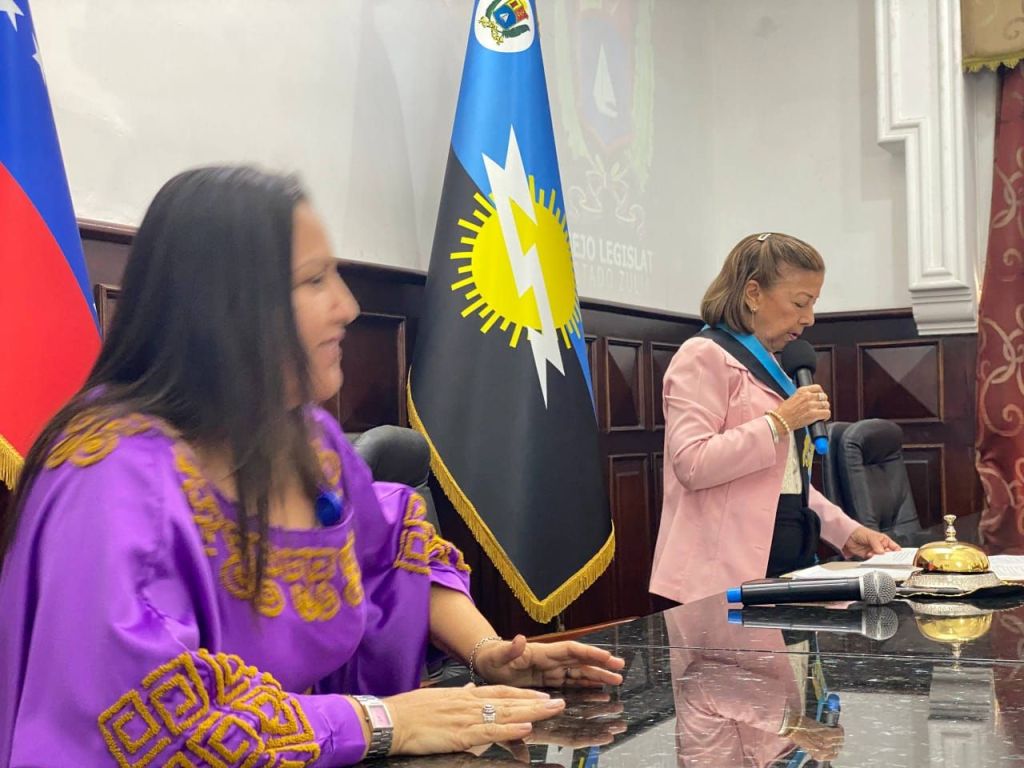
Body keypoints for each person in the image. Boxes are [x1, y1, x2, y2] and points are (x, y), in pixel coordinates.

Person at [0, 166, 624, 767]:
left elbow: (389, 548)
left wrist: (488, 653)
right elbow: (142, 718)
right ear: (227, 304)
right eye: (315, 280)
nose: (348, 306)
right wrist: (381, 722)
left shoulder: (306, 440)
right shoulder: (106, 474)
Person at [649, 232, 899, 605]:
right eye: (800, 302)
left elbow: (784, 484)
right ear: (753, 293)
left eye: (813, 304)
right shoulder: (702, 356)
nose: (809, 318)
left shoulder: (775, 369)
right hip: (715, 584)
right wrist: (778, 423)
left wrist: (846, 533)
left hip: (784, 572)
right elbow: (692, 463)